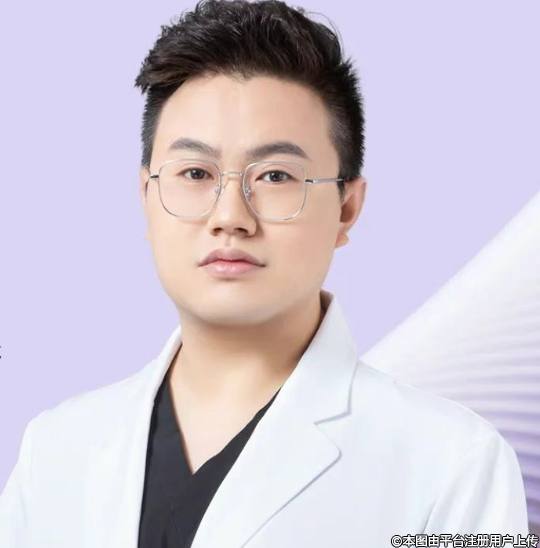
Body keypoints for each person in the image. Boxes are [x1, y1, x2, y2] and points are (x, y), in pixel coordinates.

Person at [0, 0, 529, 546]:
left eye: (276, 175)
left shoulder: (454, 463)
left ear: (347, 208)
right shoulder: (57, 449)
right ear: (146, 195)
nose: (230, 216)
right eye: (195, 173)